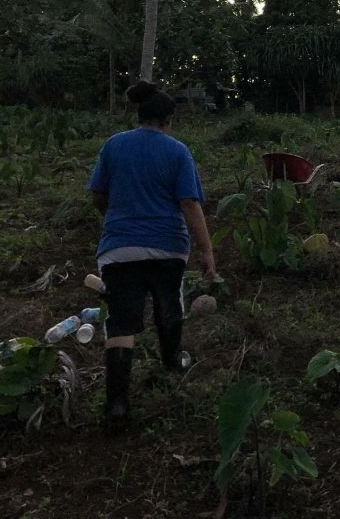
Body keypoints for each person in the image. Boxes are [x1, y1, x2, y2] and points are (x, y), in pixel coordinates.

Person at [87, 79, 217, 423]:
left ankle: (117, 404)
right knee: (168, 304)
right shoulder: (177, 151)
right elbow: (188, 203)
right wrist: (206, 249)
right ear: (168, 119)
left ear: (139, 115)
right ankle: (172, 363)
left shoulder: (113, 146)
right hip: (167, 247)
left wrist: (115, 218)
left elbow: (97, 193)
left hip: (118, 249)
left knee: (121, 321)